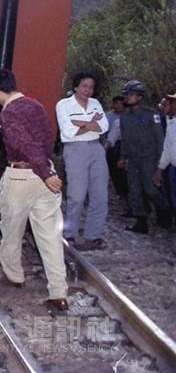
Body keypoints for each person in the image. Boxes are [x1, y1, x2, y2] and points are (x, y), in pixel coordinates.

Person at [0, 68, 68, 312]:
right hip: (44, 178)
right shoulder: (36, 106)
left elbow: (24, 143)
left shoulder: (10, 111)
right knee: (50, 236)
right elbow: (45, 139)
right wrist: (47, 169)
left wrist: (45, 172)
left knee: (11, 229)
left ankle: (14, 276)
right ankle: (58, 293)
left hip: (22, 177)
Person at [55, 72, 109, 249]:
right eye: (85, 86)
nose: (88, 90)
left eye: (91, 87)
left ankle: (94, 235)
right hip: (75, 149)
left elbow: (103, 127)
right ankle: (70, 233)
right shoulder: (64, 105)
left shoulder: (95, 104)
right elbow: (68, 131)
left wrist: (80, 123)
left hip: (96, 149)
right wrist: (89, 124)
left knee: (100, 194)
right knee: (77, 195)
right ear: (76, 87)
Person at [117, 80, 170, 233]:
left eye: (131, 94)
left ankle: (165, 209)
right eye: (126, 94)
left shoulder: (151, 115)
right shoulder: (125, 117)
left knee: (150, 189)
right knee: (134, 191)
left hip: (149, 159)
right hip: (133, 160)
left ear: (139, 97)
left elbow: (160, 139)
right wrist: (123, 157)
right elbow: (125, 139)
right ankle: (141, 222)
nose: (127, 97)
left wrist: (160, 163)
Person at [154, 90, 176, 212]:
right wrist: (160, 169)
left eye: (170, 102)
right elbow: (167, 148)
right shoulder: (171, 123)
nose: (167, 105)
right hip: (173, 168)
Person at [104, 95, 129, 202]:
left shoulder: (129, 117)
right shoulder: (108, 117)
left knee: (125, 175)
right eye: (116, 103)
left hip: (128, 147)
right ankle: (122, 194)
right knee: (115, 172)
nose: (118, 106)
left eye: (121, 103)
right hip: (113, 147)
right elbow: (107, 134)